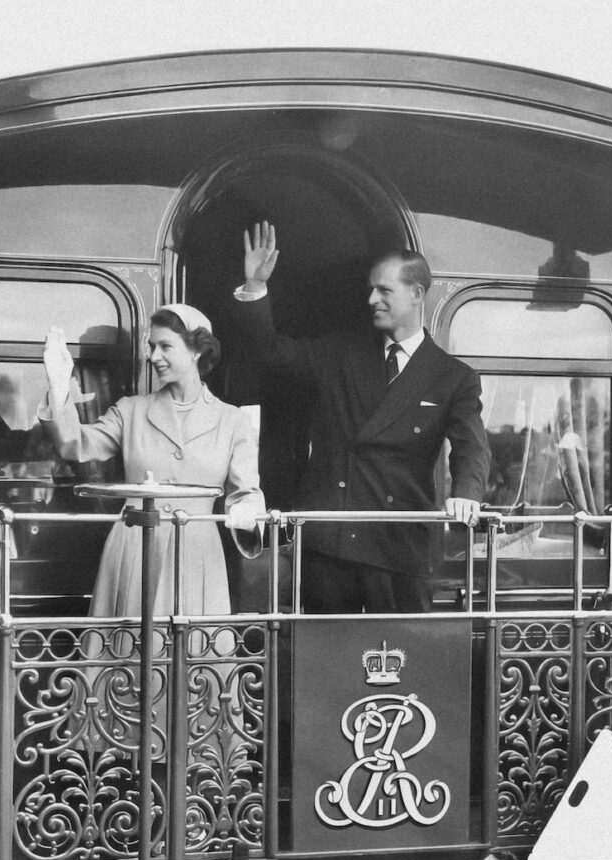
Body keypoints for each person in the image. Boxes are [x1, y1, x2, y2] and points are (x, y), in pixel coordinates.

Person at [233, 221, 490, 613]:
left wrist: (467, 497)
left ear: (416, 294)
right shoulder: (342, 354)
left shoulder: (452, 377)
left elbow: (472, 448)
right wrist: (255, 287)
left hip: (398, 550)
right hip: (329, 548)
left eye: (384, 290)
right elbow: (269, 352)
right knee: (325, 664)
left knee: (398, 665)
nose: (372, 299)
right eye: (372, 289)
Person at [39, 304, 266, 626]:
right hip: (134, 546)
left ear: (197, 350)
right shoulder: (130, 411)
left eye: (165, 346)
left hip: (198, 554)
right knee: (131, 656)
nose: (153, 356)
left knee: (193, 659)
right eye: (151, 346)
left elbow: (247, 493)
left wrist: (247, 513)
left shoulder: (232, 421)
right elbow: (73, 445)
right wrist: (58, 385)